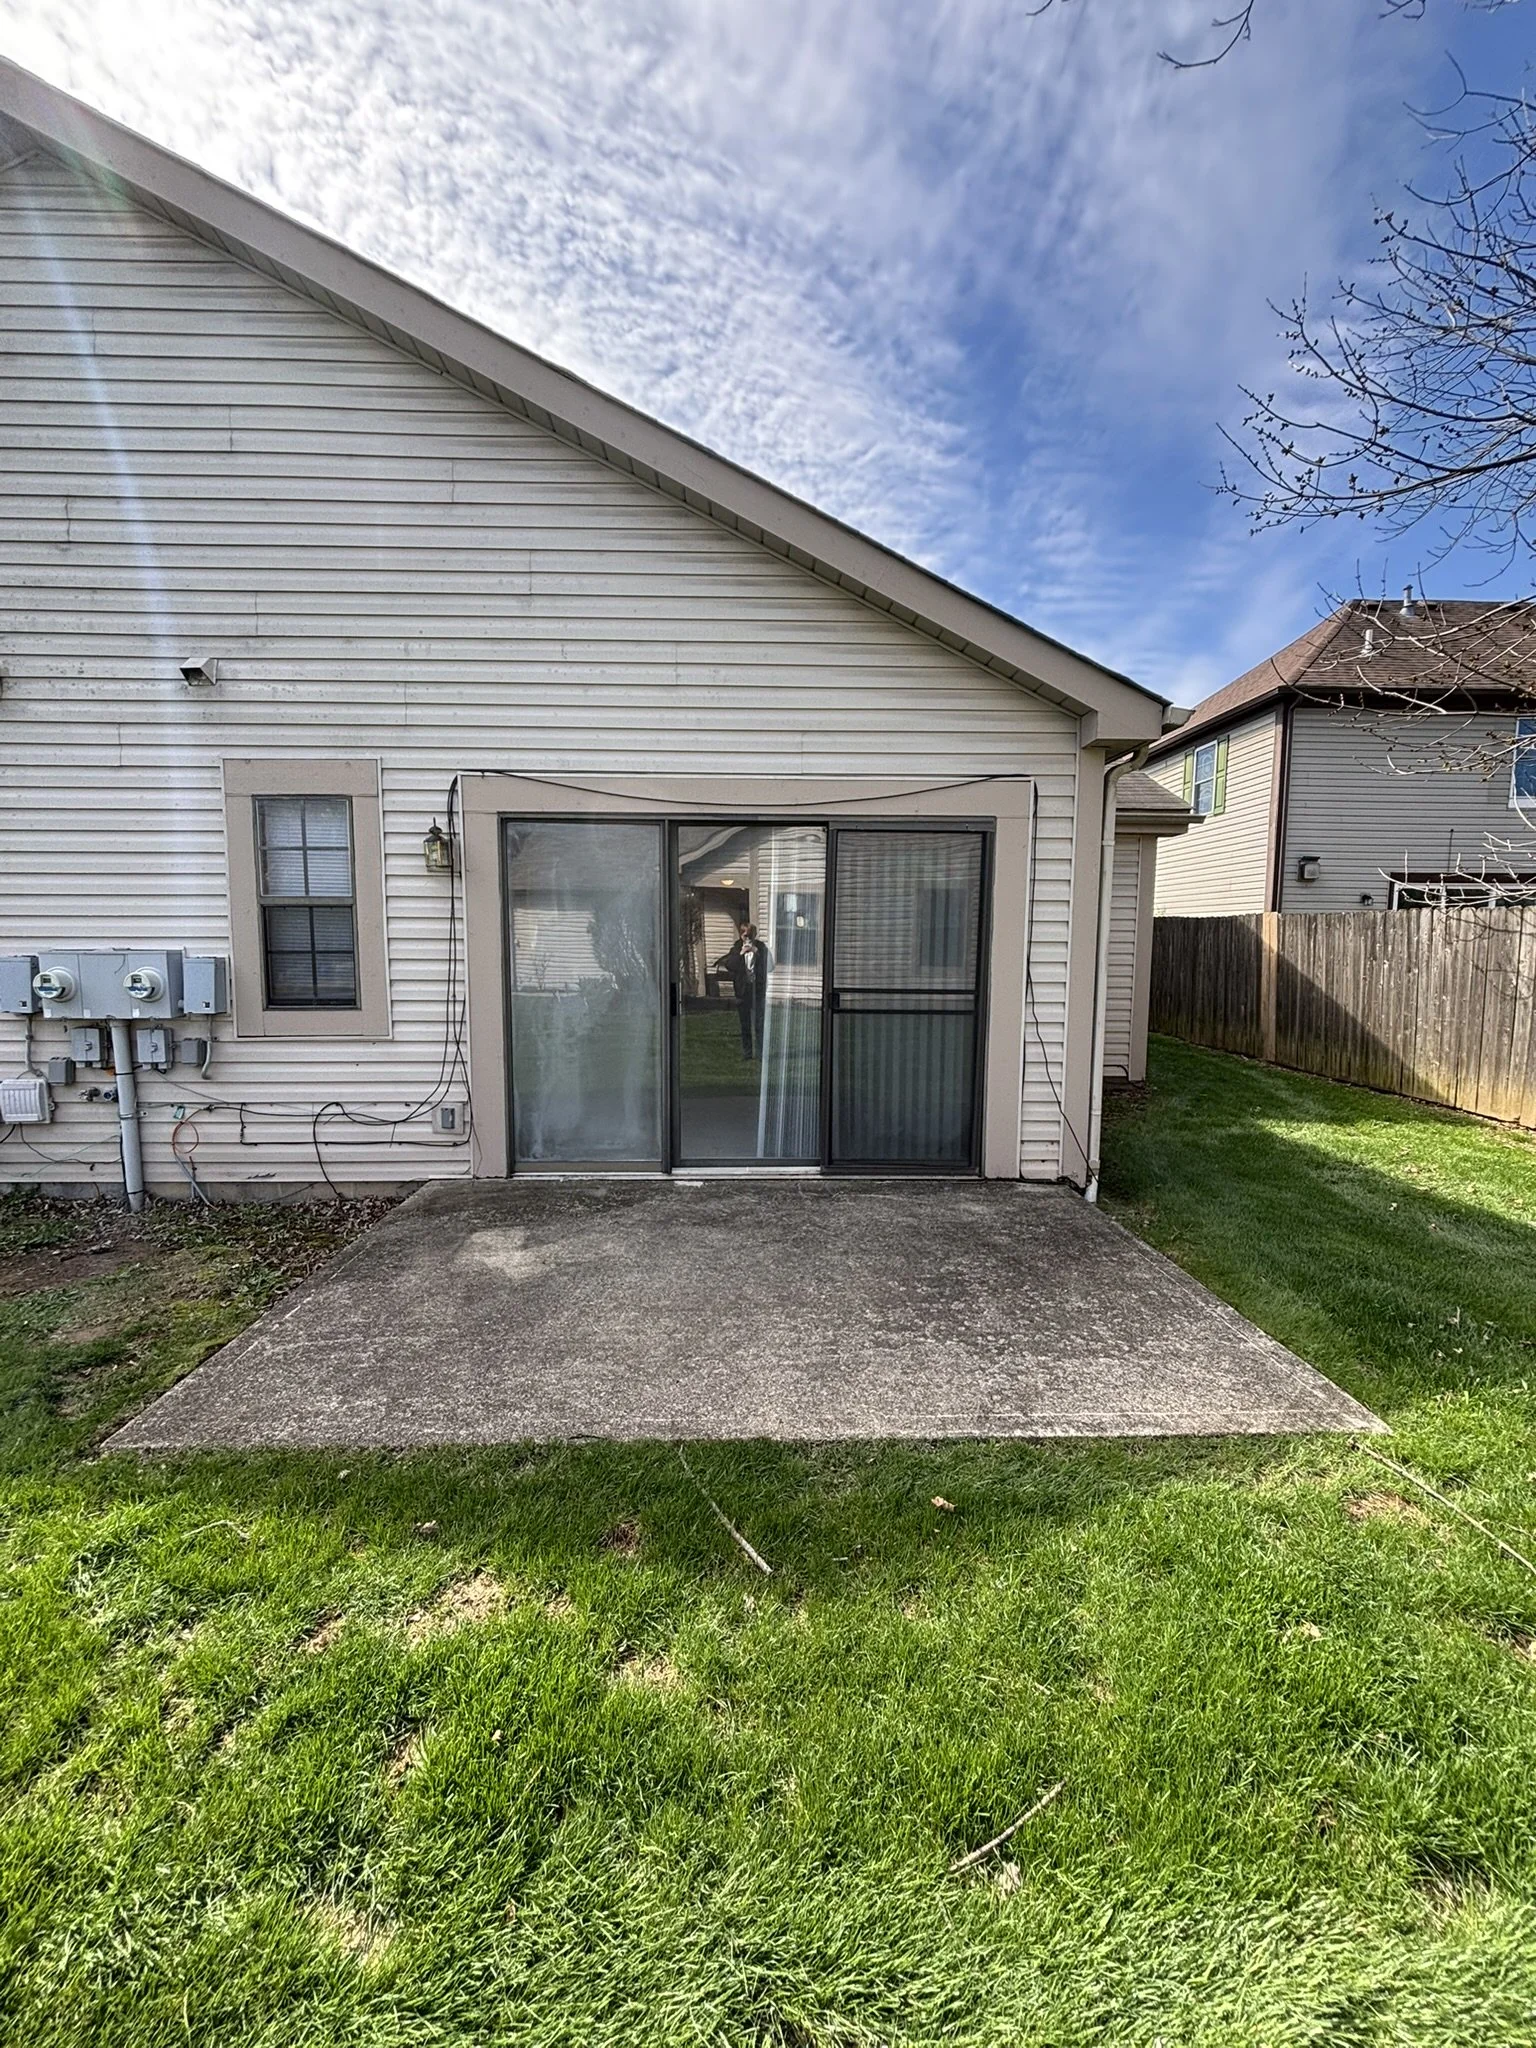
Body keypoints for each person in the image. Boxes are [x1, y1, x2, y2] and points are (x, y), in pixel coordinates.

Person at [714, 919, 772, 1059]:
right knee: (745, 1024)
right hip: (742, 990)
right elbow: (730, 965)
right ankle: (747, 1053)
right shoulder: (736, 948)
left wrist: (757, 953)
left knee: (759, 1023)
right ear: (741, 935)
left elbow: (770, 966)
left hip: (757, 990)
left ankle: (760, 1054)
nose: (748, 938)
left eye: (751, 935)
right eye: (746, 935)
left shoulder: (761, 947)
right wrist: (741, 953)